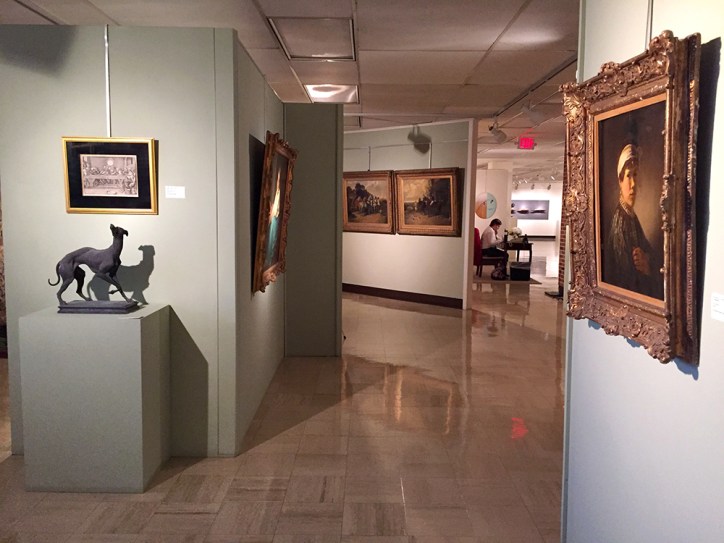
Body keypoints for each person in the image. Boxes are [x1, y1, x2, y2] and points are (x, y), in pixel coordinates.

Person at [605, 144, 663, 299]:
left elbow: (647, 251)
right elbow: (625, 276)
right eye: (628, 176)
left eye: (635, 175)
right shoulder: (620, 222)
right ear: (620, 180)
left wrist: (647, 262)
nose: (633, 184)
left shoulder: (631, 216)